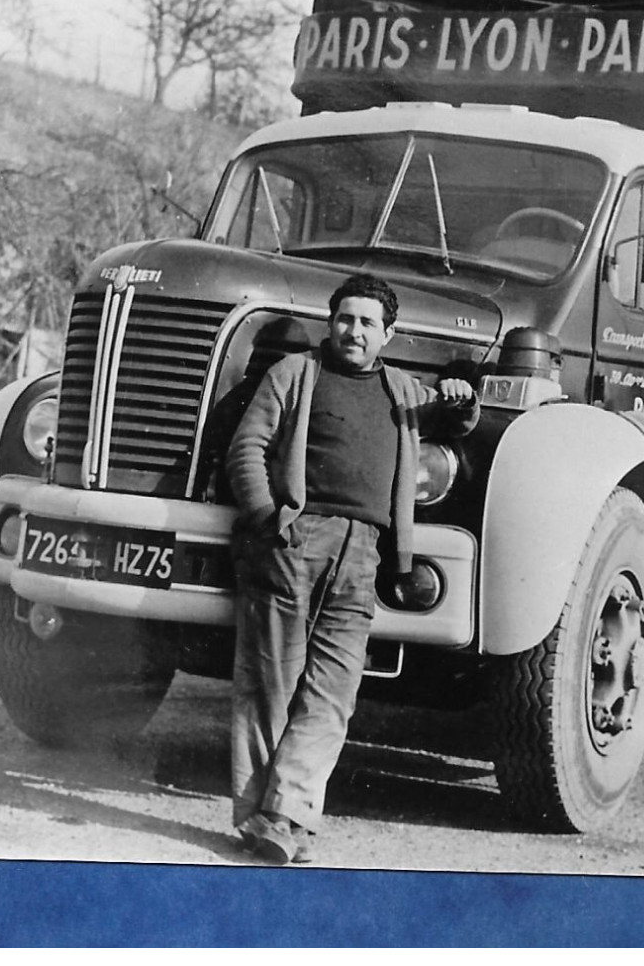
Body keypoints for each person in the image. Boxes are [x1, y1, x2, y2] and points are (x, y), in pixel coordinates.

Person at [225, 272, 478, 864]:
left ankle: (287, 814)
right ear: (329, 322)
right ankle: (256, 815)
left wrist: (464, 393)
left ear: (388, 334)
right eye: (344, 318)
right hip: (294, 542)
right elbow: (248, 448)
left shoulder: (402, 391)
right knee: (271, 684)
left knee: (332, 694)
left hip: (364, 555)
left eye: (367, 322)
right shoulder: (294, 373)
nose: (353, 331)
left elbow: (456, 416)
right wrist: (270, 518)